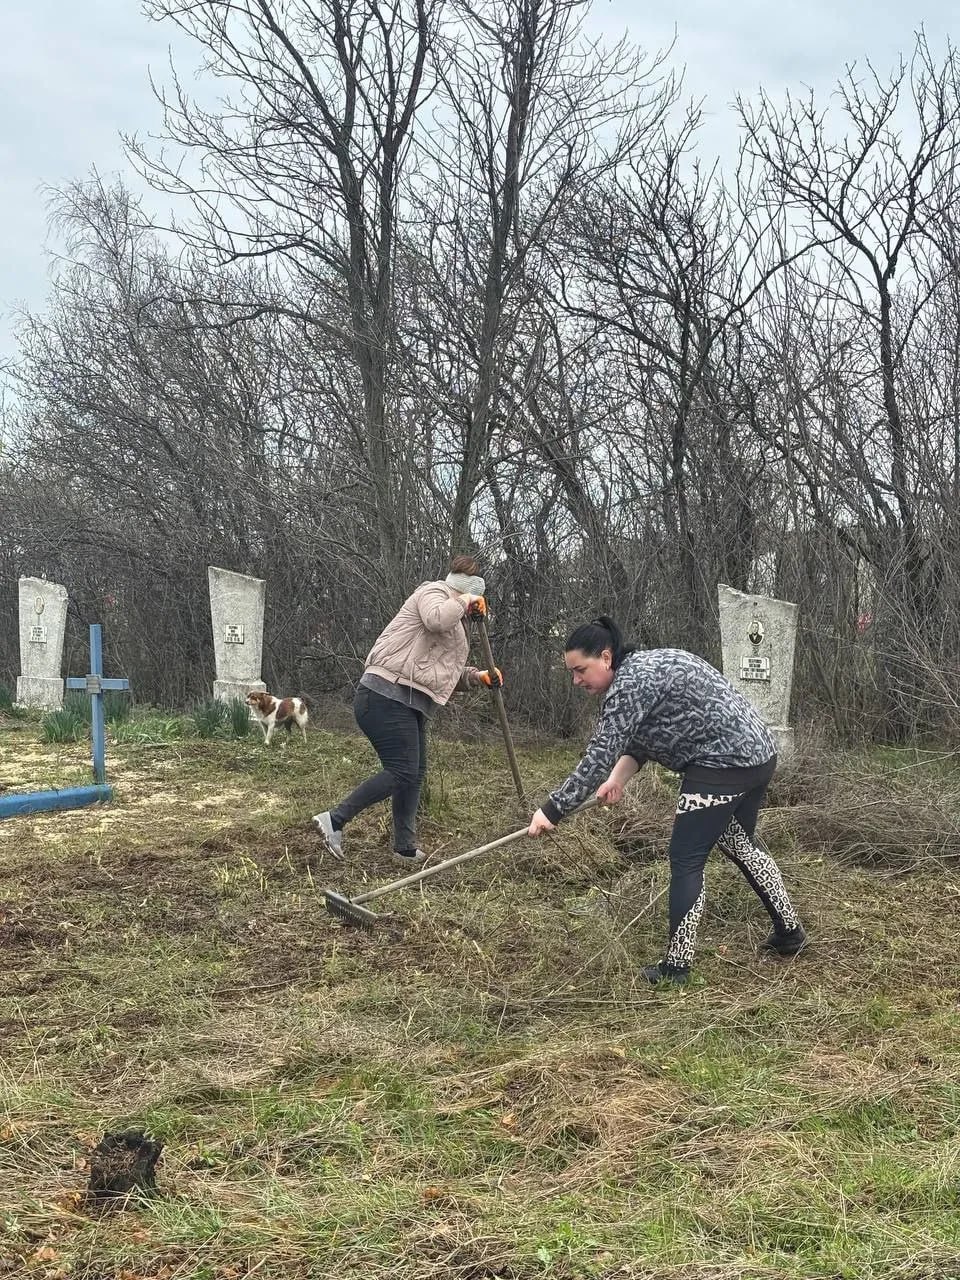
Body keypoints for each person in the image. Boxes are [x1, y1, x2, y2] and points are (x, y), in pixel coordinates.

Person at [527, 615, 806, 985]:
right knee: (739, 843)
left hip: (722, 765)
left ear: (606, 658)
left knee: (686, 858)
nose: (576, 680)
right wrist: (618, 779)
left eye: (580, 670)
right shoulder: (645, 668)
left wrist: (552, 810)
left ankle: (676, 968)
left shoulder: (629, 684)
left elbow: (598, 755)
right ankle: (790, 932)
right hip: (758, 755)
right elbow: (642, 737)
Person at [313, 555, 502, 865]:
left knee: (413, 773)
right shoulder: (433, 592)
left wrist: (476, 676)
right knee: (402, 771)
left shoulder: (457, 621)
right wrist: (466, 600)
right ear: (466, 587)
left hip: (410, 701)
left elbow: (439, 670)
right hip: (386, 694)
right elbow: (435, 619)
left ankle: (404, 846)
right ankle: (334, 820)